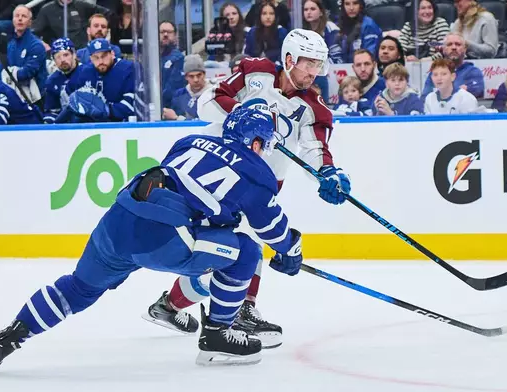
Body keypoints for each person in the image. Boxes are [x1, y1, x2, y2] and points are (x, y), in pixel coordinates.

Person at [0, 105, 304, 371]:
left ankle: (8, 337)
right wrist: (291, 251)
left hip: (119, 220)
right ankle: (217, 335)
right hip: (166, 237)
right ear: (258, 143)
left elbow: (189, 188)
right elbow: (273, 230)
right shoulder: (257, 172)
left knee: (77, 288)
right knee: (245, 251)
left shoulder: (189, 142)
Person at [143, 29, 351, 349]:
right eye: (308, 63)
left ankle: (172, 306)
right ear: (290, 59)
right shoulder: (258, 73)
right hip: (220, 174)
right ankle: (233, 314)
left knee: (240, 250)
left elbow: (315, 150)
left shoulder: (313, 107)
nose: (313, 72)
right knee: (234, 252)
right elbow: (207, 103)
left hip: (258, 187)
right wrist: (246, 116)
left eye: (318, 65)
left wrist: (329, 173)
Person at [60, 38, 135, 123]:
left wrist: (106, 110)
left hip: (121, 127)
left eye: (104, 56)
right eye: (96, 57)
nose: (101, 61)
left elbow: (132, 106)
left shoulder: (128, 69)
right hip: (91, 128)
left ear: (112, 54)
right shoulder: (85, 72)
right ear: (91, 58)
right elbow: (69, 100)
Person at [43, 38, 82, 123]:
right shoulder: (52, 81)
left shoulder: (87, 73)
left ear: (74, 55)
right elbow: (52, 111)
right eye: (58, 57)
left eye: (66, 55)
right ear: (54, 60)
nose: (62, 60)